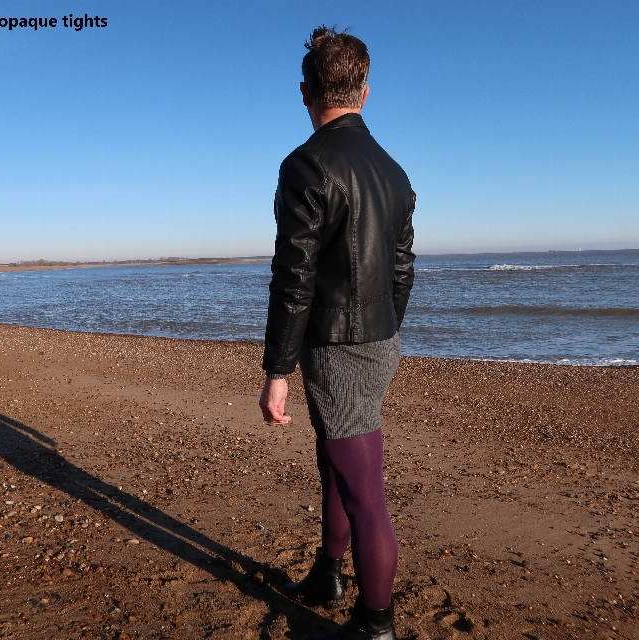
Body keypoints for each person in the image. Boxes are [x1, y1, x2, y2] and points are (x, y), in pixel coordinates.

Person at [259, 25, 416, 640]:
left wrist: (277, 372)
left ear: (306, 92)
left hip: (339, 344)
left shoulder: (305, 165)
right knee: (338, 462)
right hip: (380, 338)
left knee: (363, 487)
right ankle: (328, 571)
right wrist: (383, 328)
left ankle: (377, 621)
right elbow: (401, 269)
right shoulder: (395, 172)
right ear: (365, 92)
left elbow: (292, 277)